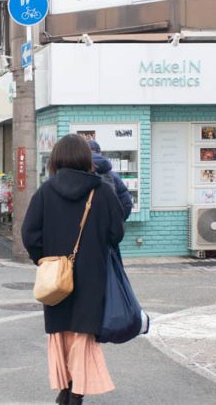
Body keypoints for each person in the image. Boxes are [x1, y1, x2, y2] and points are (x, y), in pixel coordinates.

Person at [21, 134, 125, 404]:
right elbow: (116, 233)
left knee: (60, 333)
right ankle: (77, 391)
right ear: (86, 158)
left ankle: (65, 387)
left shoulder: (46, 191)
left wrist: (44, 259)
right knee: (83, 333)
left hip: (55, 276)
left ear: (55, 159)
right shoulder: (102, 191)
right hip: (92, 275)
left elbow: (29, 234)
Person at [86, 140, 133, 220]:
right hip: (109, 223)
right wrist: (117, 222)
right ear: (100, 153)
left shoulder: (81, 174)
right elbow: (127, 204)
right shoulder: (114, 176)